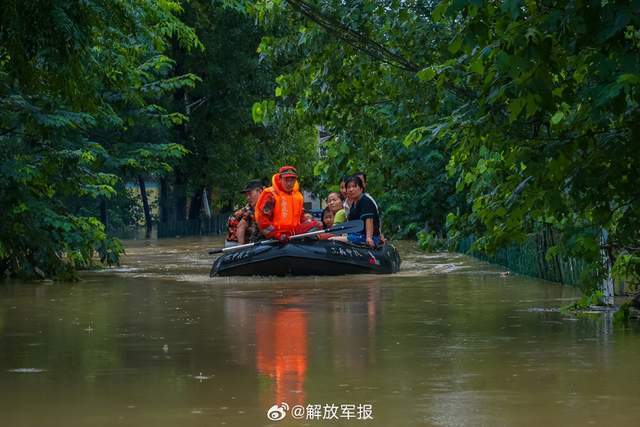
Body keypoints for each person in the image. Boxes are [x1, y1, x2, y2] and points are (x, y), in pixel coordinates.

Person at [255, 165, 322, 241]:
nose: (289, 183)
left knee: (318, 225)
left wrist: (307, 220)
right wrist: (277, 235)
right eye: (286, 180)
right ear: (280, 179)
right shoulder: (271, 195)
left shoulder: (298, 196)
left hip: (292, 233)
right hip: (276, 235)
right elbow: (262, 220)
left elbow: (300, 216)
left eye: (292, 180)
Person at [331, 176, 381, 247]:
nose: (351, 189)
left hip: (366, 237)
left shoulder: (365, 201)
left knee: (332, 239)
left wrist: (369, 238)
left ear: (361, 189)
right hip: (357, 235)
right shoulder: (354, 204)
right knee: (332, 238)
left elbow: (369, 219)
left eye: (354, 186)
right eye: (348, 187)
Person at [225, 179, 264, 247]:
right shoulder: (249, 210)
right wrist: (241, 248)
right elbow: (241, 227)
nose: (248, 198)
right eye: (246, 195)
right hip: (234, 243)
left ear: (260, 191)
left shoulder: (265, 204)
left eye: (250, 194)